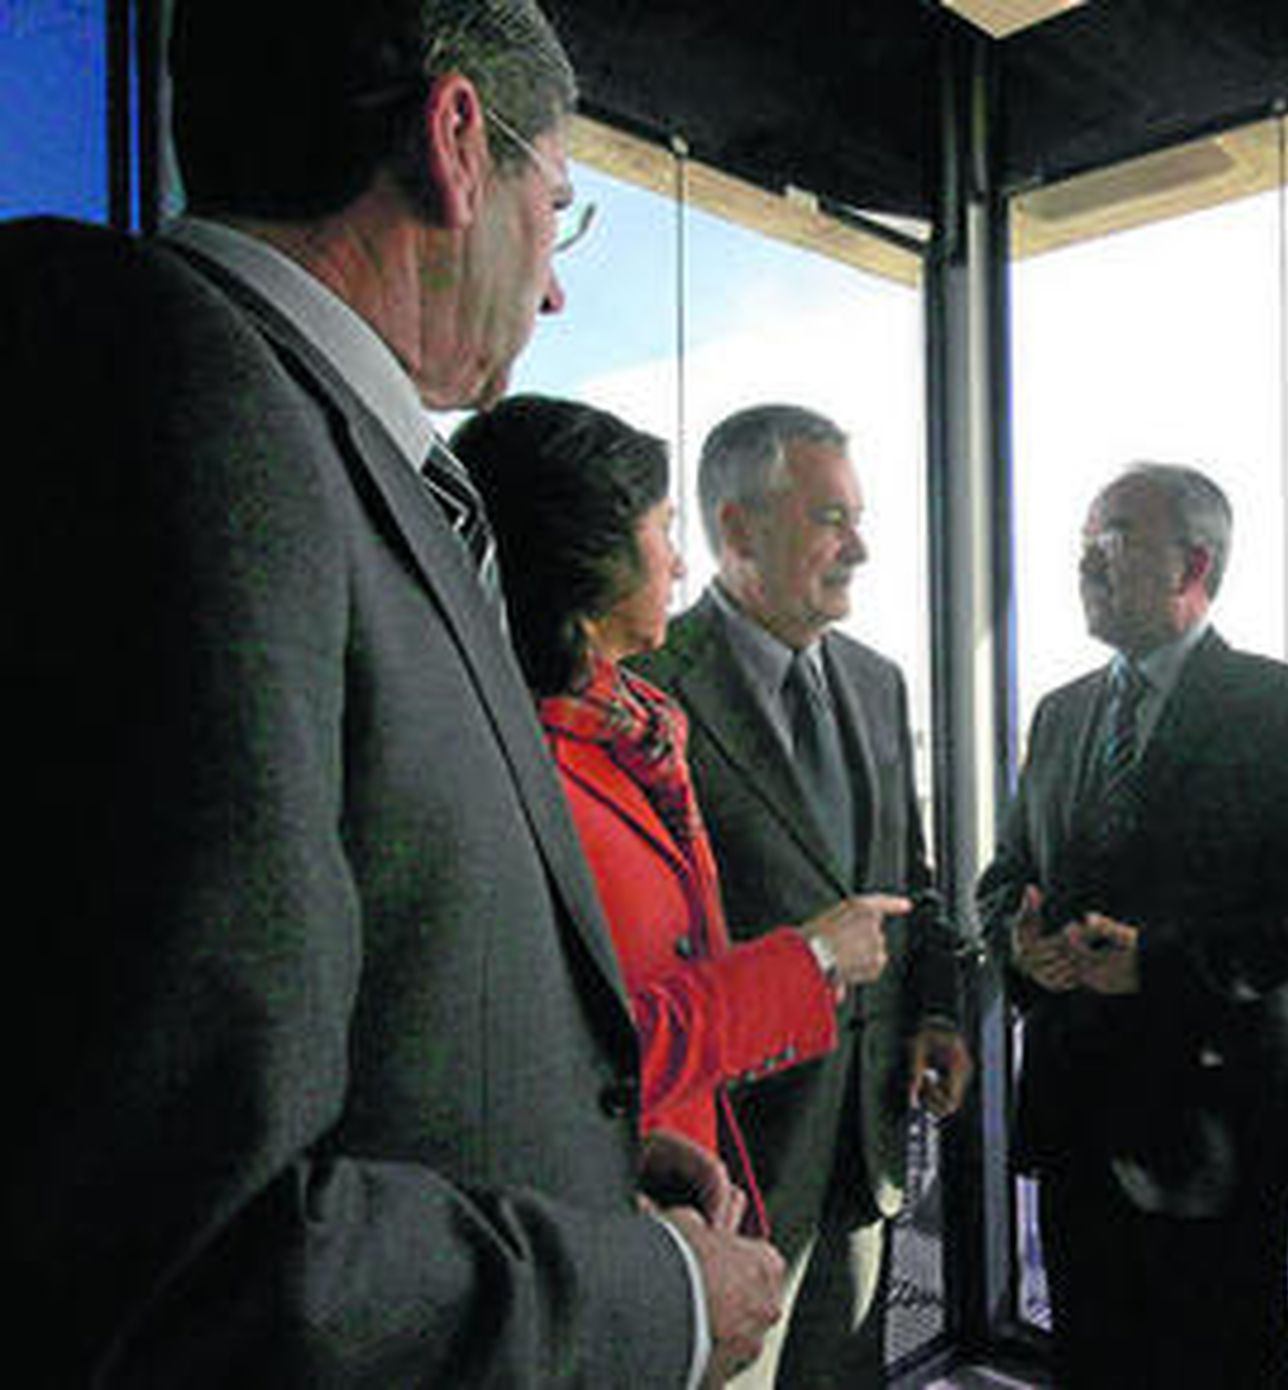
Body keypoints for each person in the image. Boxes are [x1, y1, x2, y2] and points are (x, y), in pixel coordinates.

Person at [2, 2, 781, 1383]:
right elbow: (176, 1239)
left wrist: (577, 1153)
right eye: (562, 209)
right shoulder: (175, 407)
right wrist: (642, 1293)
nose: (552, 289)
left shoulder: (337, 458)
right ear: (457, 142)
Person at [452, 394, 909, 1236]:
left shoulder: (636, 733)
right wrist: (810, 960)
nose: (679, 563)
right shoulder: (523, 772)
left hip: (714, 1176)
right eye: (664, 530)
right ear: (589, 558)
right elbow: (576, 1056)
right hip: (634, 1213)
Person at [977, 462, 1288, 1388]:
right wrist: (1016, 944)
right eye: (1082, 543)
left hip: (1214, 1142)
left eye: (1110, 541)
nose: (1084, 564)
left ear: (1195, 563)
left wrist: (1157, 965)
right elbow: (1007, 879)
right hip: (1077, 1128)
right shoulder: (1061, 715)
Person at [632, 403, 975, 1387]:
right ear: (737, 528)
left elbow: (906, 881)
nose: (860, 547)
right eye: (832, 518)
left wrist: (934, 1011)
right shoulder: (648, 681)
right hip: (728, 1171)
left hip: (860, 1145)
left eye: (855, 517)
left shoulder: (877, 680)